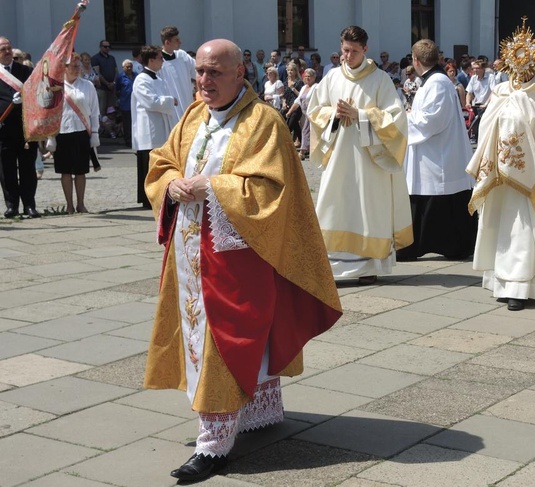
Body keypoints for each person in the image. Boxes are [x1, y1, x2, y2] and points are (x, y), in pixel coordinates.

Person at [144, 38, 341, 482]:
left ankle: (213, 446)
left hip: (239, 254)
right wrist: (172, 182)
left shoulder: (263, 122)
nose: (204, 81)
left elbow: (273, 191)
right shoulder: (194, 114)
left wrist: (211, 188)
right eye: (199, 71)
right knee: (201, 333)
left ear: (240, 73)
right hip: (191, 249)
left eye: (214, 72)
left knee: (227, 338)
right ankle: (256, 413)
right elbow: (162, 162)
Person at [307, 25, 412, 285]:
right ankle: (331, 267)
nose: (348, 56)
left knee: (368, 209)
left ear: (365, 50)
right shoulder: (332, 77)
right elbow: (314, 109)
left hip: (370, 161)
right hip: (339, 156)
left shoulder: (380, 79)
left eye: (354, 51)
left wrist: (360, 116)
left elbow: (397, 120)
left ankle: (367, 268)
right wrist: (334, 115)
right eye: (345, 50)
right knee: (335, 205)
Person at [467, 19, 535, 311]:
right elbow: (485, 128)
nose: (521, 68)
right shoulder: (501, 91)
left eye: (528, 61)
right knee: (499, 227)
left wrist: (521, 112)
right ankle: (499, 282)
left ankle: (520, 288)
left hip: (529, 176)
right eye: (514, 60)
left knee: (523, 228)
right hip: (497, 175)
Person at [397, 39, 476, 262]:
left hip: (439, 156)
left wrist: (402, 118)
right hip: (434, 153)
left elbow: (430, 121)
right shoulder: (432, 81)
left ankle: (423, 246)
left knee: (433, 199)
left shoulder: (437, 83)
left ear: (415, 60)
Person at [45, 53, 99, 214]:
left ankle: (81, 204)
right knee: (65, 171)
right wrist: (50, 136)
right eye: (73, 66)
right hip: (62, 132)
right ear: (65, 68)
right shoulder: (56, 87)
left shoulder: (87, 85)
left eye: (79, 66)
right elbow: (49, 113)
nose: (77, 69)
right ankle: (69, 205)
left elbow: (94, 111)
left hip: (82, 132)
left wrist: (95, 132)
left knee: (81, 170)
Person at [131, 45, 178, 209]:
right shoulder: (141, 79)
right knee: (148, 162)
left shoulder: (158, 78)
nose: (162, 61)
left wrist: (168, 100)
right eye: (159, 58)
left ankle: (159, 192)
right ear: (151, 60)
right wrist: (170, 100)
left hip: (161, 125)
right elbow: (150, 102)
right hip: (149, 128)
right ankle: (147, 197)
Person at [0, 37, 39, 218]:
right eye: (2, 49)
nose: (7, 52)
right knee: (6, 170)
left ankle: (29, 205)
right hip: (4, 129)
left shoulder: (25, 71)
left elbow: (38, 93)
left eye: (8, 48)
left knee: (27, 169)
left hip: (25, 129)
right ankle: (12, 206)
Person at [159, 26, 196, 118]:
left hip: (187, 102)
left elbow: (197, 71)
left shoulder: (182, 55)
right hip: (171, 107)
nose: (180, 42)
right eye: (177, 40)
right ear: (167, 42)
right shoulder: (158, 61)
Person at [285, 67, 317, 159]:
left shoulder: (316, 87)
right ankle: (309, 150)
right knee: (306, 130)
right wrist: (290, 112)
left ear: (314, 77)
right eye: (306, 76)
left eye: (309, 76)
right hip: (304, 113)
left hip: (313, 113)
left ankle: (302, 151)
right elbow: (298, 101)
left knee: (306, 131)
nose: (307, 78)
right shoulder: (303, 87)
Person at [90, 40, 117, 118]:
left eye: (109, 47)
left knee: (112, 110)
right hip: (102, 88)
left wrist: (114, 83)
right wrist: (107, 83)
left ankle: (112, 128)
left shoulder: (112, 58)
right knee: (102, 110)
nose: (107, 48)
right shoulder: (95, 58)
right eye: (105, 47)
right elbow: (97, 73)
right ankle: (101, 128)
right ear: (100, 47)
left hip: (112, 88)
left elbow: (116, 71)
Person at [115, 58, 135, 148]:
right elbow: (117, 90)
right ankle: (128, 141)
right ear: (123, 68)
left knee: (134, 123)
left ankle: (135, 139)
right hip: (125, 104)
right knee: (127, 124)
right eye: (127, 67)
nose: (129, 68)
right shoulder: (120, 77)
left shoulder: (136, 75)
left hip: (135, 104)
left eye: (130, 66)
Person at [282, 62, 303, 146]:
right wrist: (284, 103)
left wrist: (292, 88)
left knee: (289, 126)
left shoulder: (299, 82)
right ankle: (304, 144)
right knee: (296, 127)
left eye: (292, 70)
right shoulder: (285, 82)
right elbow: (284, 96)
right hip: (287, 106)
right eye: (288, 70)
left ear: (295, 71)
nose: (290, 72)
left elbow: (300, 96)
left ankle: (283, 144)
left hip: (296, 107)